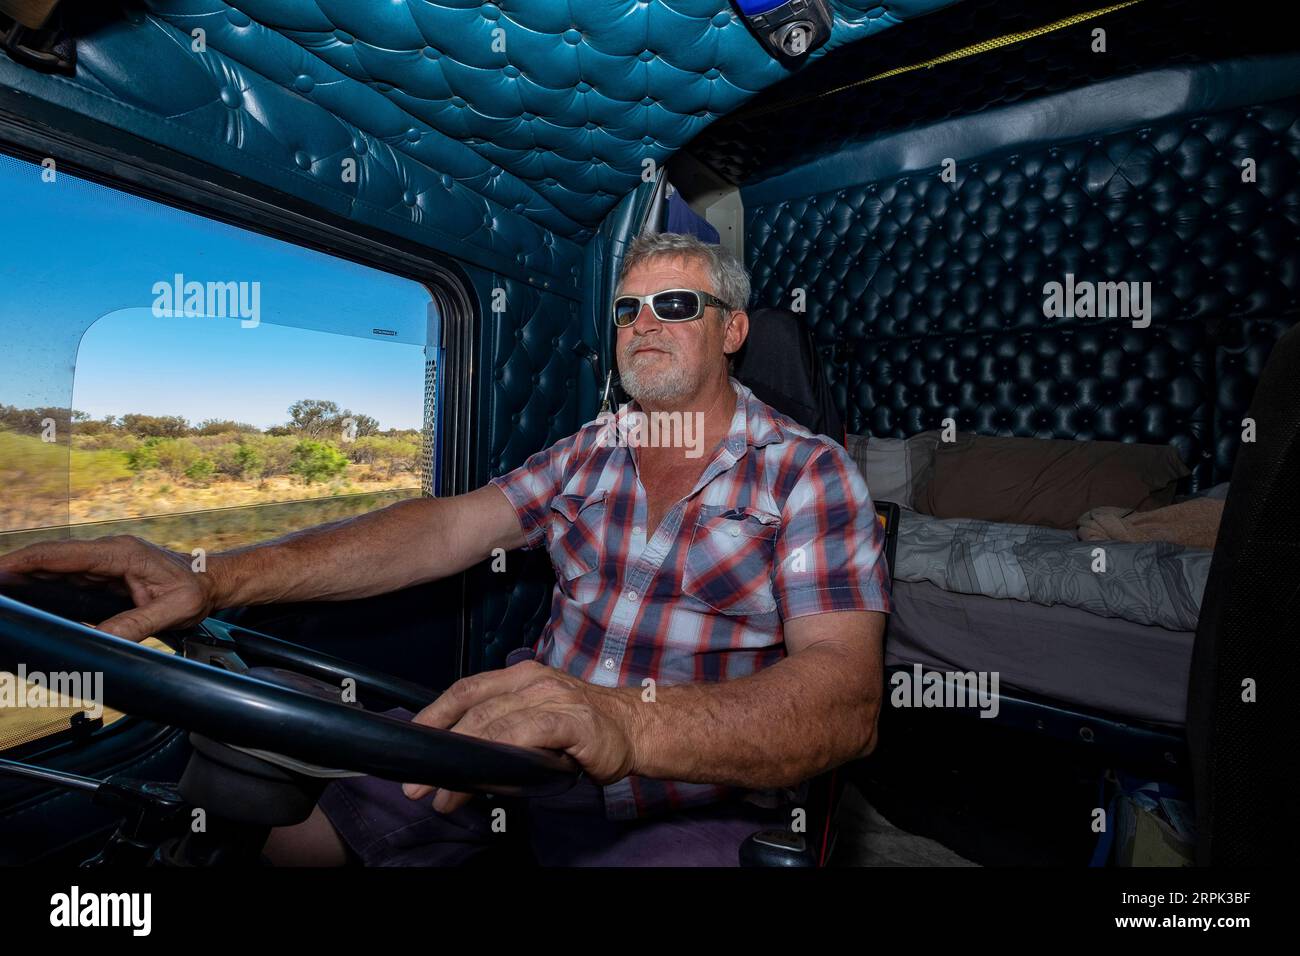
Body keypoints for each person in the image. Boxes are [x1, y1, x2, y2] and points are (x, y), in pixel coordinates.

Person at [0, 232, 891, 866]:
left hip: (682, 796)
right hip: (504, 751)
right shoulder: (593, 447)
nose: (642, 324)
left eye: (675, 305)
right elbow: (450, 526)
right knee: (285, 829)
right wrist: (213, 574)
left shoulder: (809, 475)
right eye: (627, 309)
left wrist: (627, 724)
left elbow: (842, 704)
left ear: (732, 330)